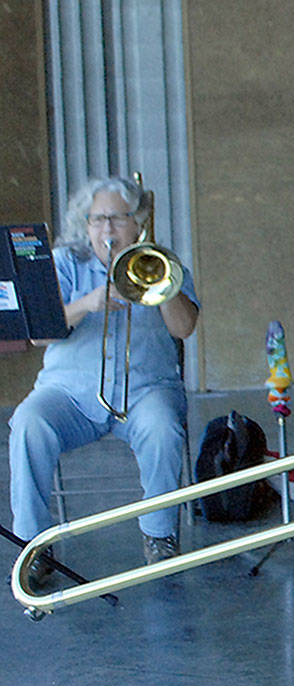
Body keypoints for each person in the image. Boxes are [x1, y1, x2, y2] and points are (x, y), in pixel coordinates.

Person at [8, 175, 199, 569]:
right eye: (98, 219)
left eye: (117, 218)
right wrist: (87, 303)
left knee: (163, 430)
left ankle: (159, 535)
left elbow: (184, 329)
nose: (107, 229)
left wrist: (162, 284)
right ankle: (32, 545)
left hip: (145, 390)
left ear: (137, 223)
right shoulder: (64, 263)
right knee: (27, 423)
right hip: (69, 395)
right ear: (86, 224)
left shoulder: (165, 263)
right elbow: (40, 334)